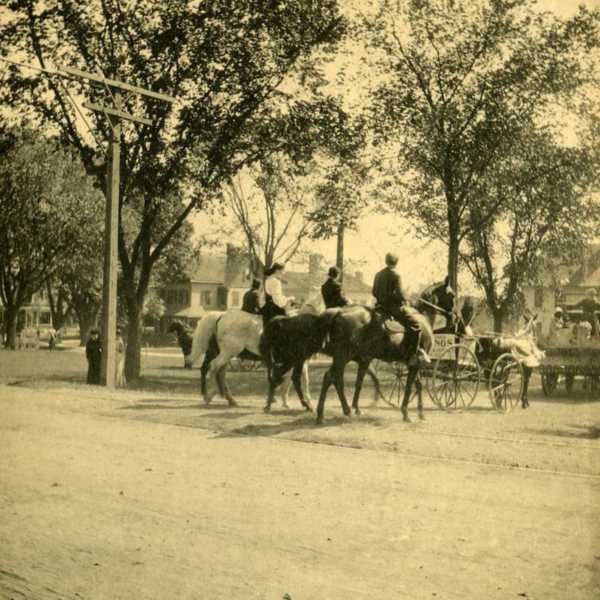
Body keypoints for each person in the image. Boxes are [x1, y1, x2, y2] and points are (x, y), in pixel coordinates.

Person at [372, 252, 430, 364]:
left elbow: (374, 292)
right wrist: (406, 297)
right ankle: (413, 354)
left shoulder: (378, 274)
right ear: (396, 262)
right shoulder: (396, 275)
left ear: (386, 261)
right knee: (416, 325)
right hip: (394, 308)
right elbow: (400, 294)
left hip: (379, 308)